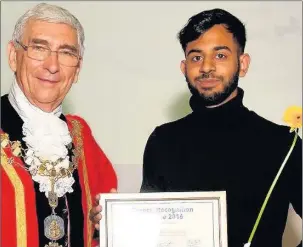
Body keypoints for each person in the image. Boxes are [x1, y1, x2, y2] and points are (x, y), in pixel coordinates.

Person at [90, 8, 302, 247]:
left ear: (243, 64)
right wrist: (113, 225)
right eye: (196, 57)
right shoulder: (163, 140)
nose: (206, 67)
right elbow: (153, 232)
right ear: (184, 67)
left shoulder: (283, 143)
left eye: (220, 55)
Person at [1, 3, 117, 247]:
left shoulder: (81, 135)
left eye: (66, 53)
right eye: (39, 48)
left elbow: (100, 224)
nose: (52, 66)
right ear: (13, 56)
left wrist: (105, 224)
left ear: (77, 69)